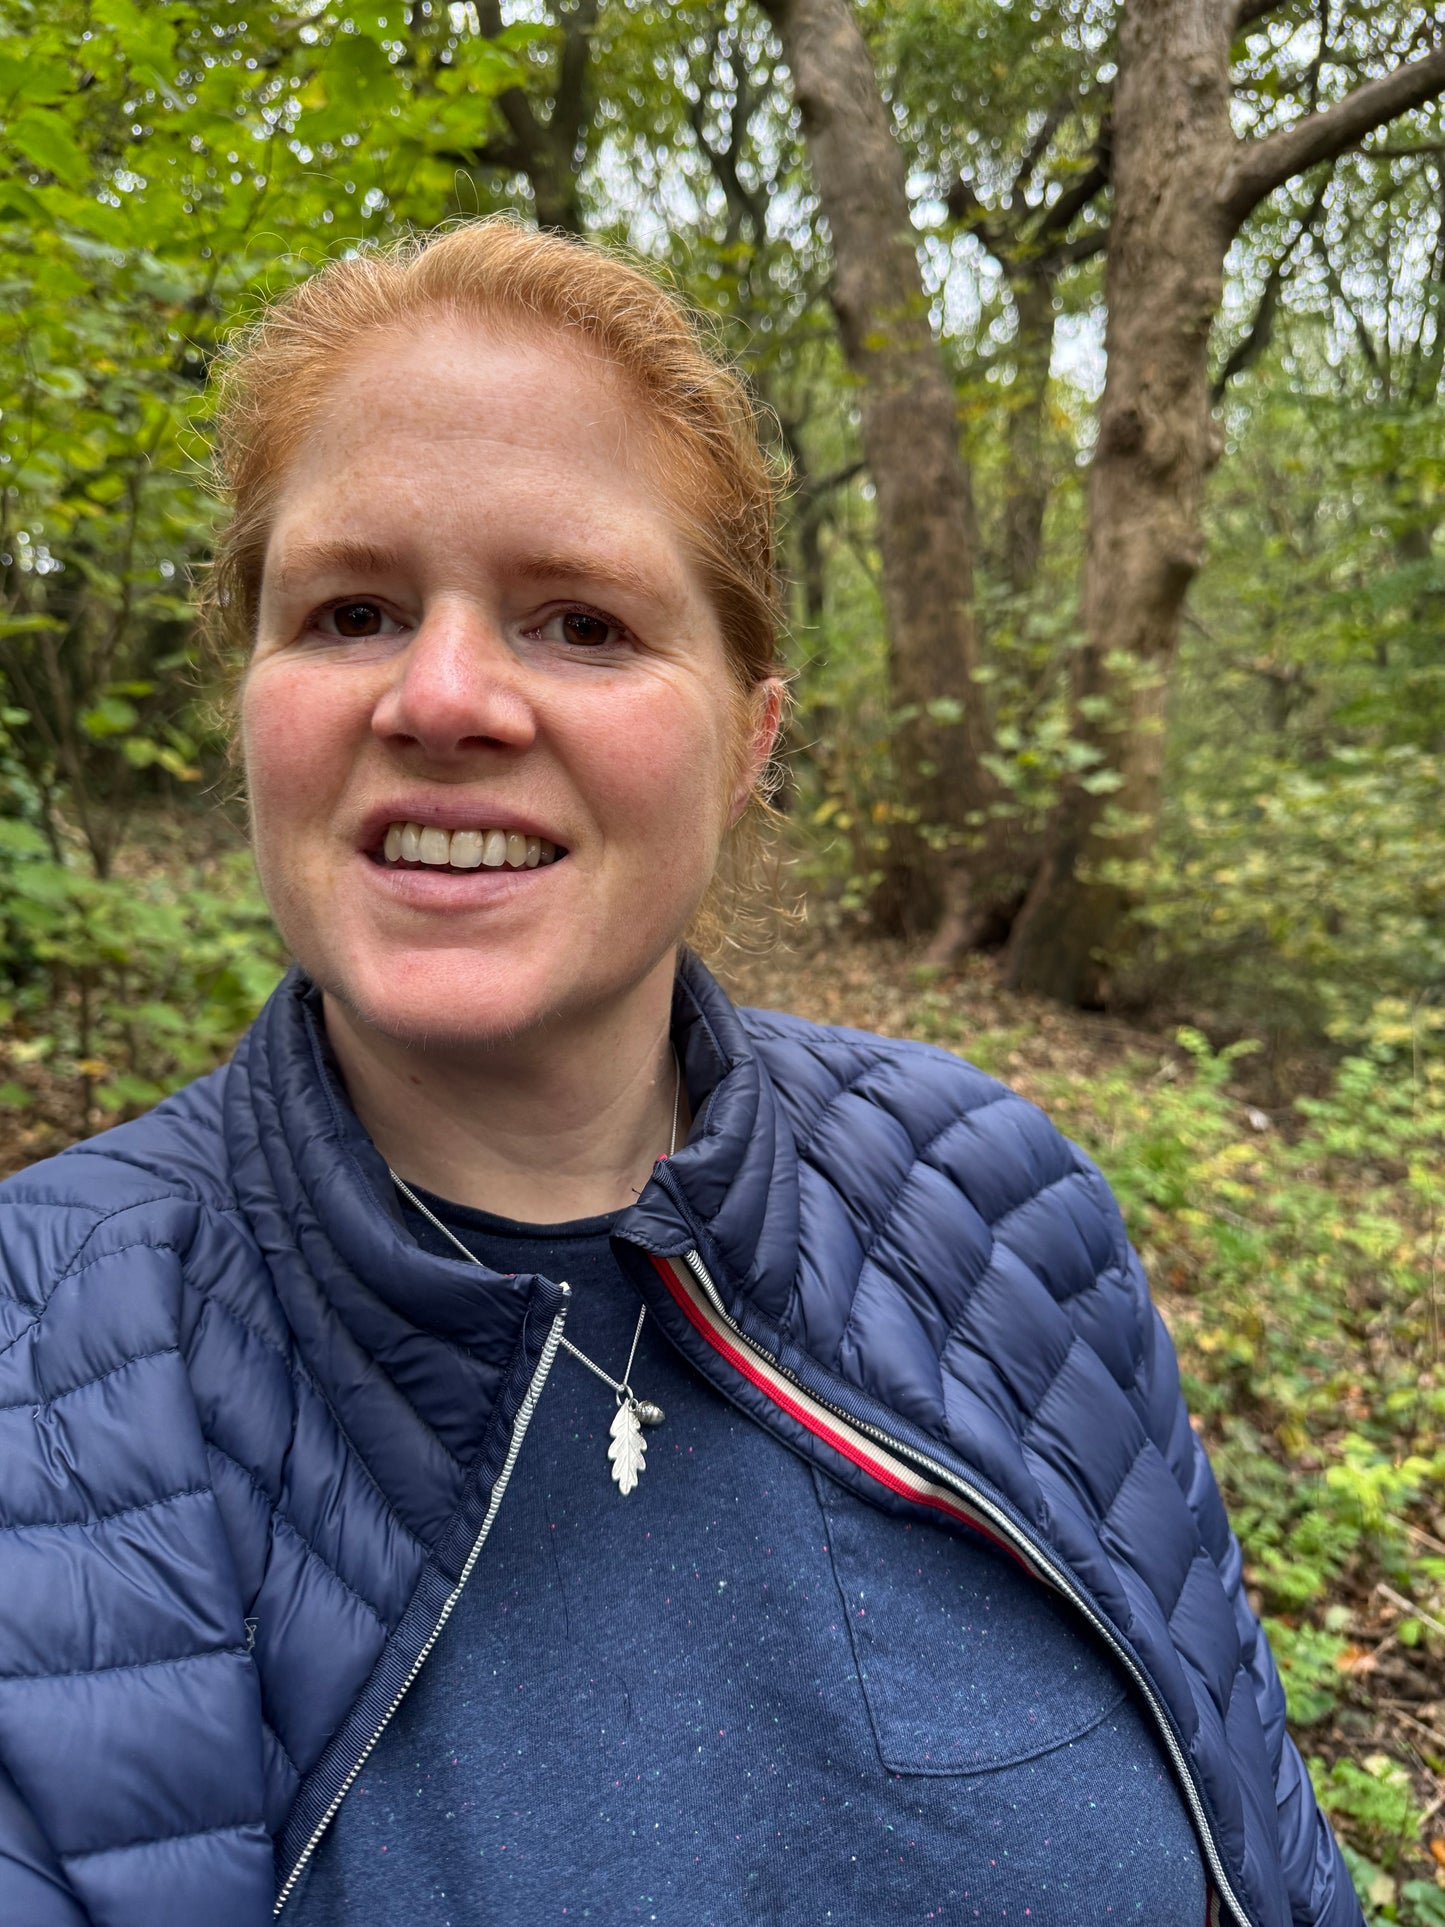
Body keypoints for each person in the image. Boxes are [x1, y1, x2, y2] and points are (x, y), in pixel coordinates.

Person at [0, 216, 1359, 1927]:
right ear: (247, 696)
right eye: (350, 610)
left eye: (578, 621)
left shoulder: (1002, 1210)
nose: (443, 696)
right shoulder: (34, 1364)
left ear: (747, 740)